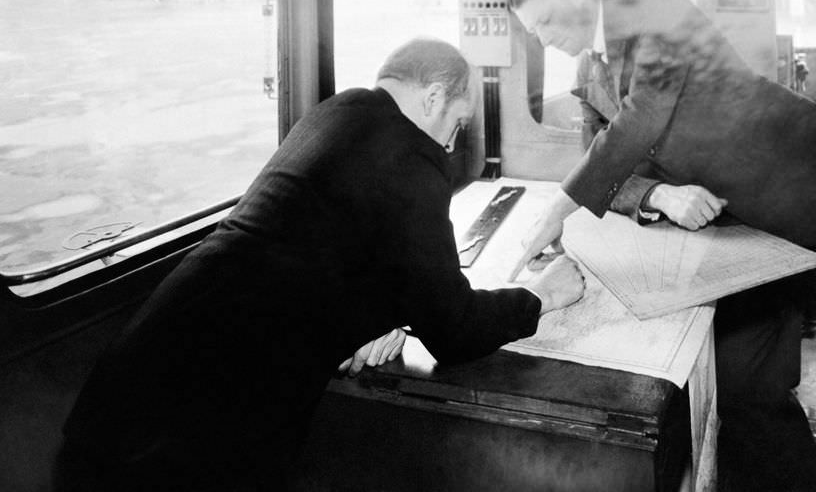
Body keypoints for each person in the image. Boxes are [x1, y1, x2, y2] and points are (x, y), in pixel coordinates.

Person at [58, 37, 584, 492]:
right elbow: (455, 330)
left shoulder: (337, 114)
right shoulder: (410, 159)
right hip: (186, 438)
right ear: (431, 99)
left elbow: (310, 246)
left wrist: (374, 318)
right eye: (456, 125)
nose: (450, 146)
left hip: (126, 394)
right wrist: (542, 294)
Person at [507, 0, 816, 492]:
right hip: (746, 225)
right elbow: (604, 160)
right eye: (534, 32)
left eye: (547, 22)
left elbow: (639, 120)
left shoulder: (659, 9)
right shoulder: (588, 71)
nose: (546, 39)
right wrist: (657, 192)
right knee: (742, 386)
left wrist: (558, 211)